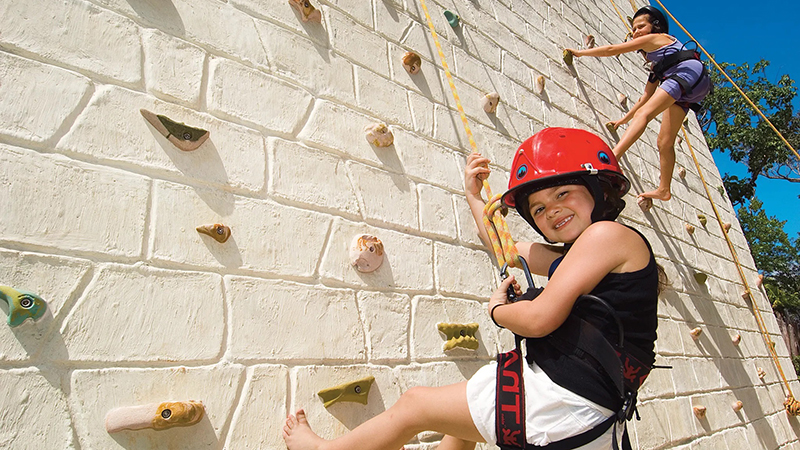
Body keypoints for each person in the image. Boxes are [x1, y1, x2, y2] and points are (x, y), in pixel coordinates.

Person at [283, 128, 660, 450]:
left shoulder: (606, 235)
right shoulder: (578, 253)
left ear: (598, 189)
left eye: (563, 194)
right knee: (462, 416)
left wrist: (499, 310)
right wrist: (474, 196)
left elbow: (539, 319)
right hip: (584, 404)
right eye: (539, 208)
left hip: (565, 401)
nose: (552, 211)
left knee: (416, 406)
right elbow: (502, 245)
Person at [565, 6, 712, 210]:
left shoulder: (657, 38)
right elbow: (645, 97)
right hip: (691, 89)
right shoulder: (658, 65)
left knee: (647, 117)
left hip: (686, 74)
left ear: (656, 26)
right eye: (633, 29)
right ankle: (664, 190)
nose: (636, 33)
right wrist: (622, 121)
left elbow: (612, 50)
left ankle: (611, 158)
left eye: (641, 26)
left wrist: (580, 53)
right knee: (664, 142)